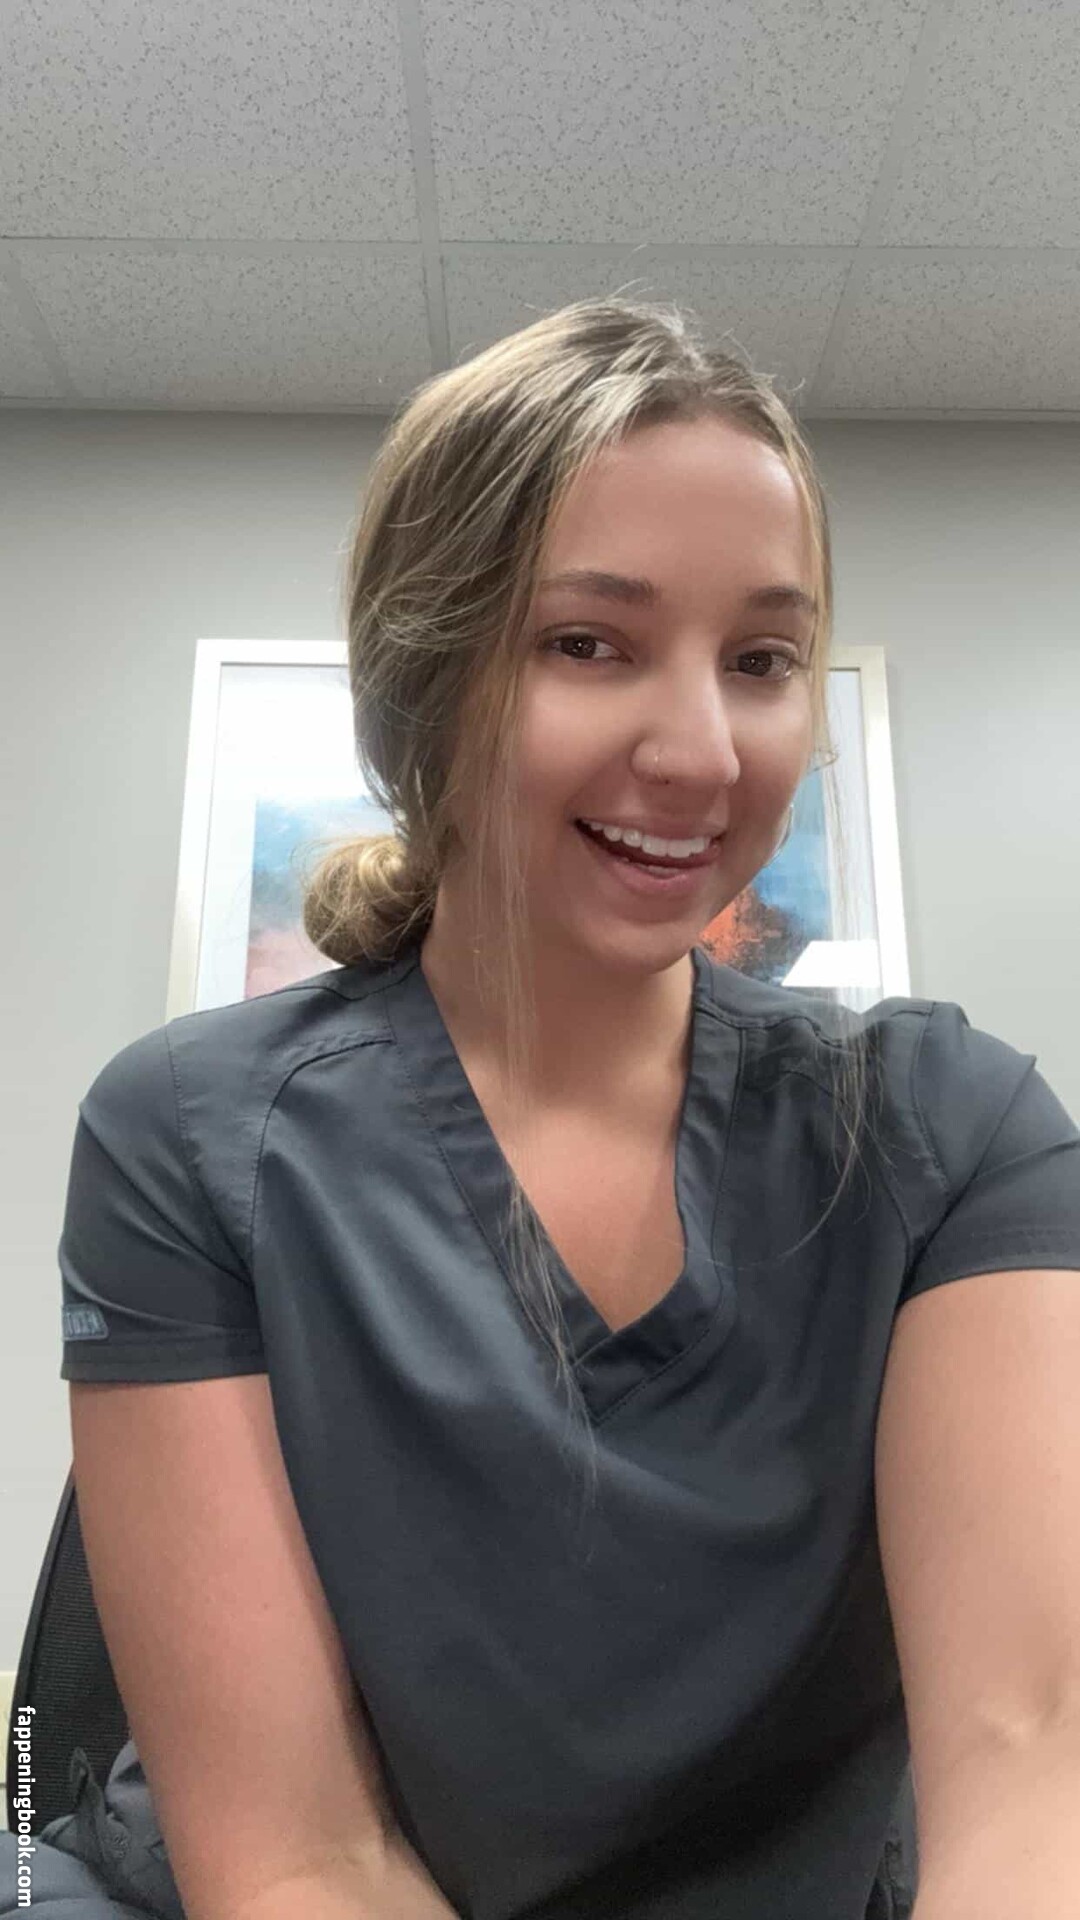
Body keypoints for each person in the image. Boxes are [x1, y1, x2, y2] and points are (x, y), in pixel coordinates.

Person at [5, 296, 1080, 1919]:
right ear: (426, 674)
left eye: (763, 660)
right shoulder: (195, 1137)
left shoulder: (955, 1135)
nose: (703, 751)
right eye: (590, 644)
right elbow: (298, 1856)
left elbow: (1026, 1763)